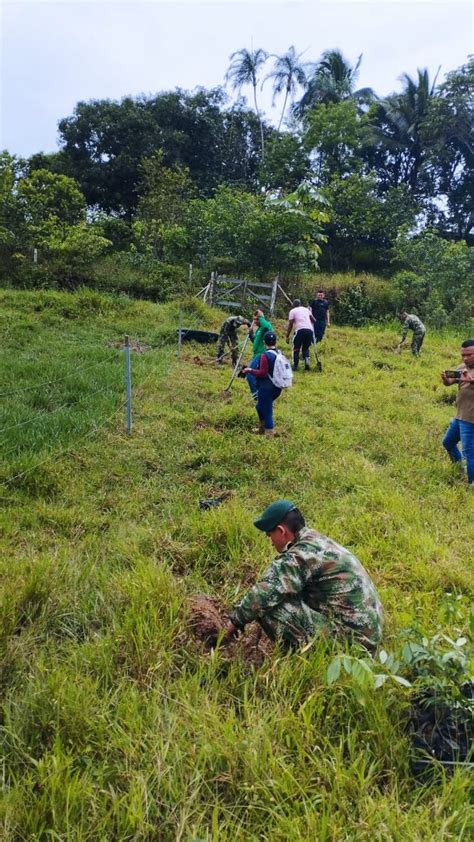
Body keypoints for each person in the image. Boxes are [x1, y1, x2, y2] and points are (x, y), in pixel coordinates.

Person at [222, 500, 384, 652]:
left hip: (354, 644)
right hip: (367, 633)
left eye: (269, 535)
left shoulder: (301, 554)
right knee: (286, 594)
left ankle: (307, 656)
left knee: (269, 608)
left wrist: (234, 623)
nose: (270, 541)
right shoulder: (317, 541)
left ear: (281, 531)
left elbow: (262, 595)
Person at [441, 339, 474, 485]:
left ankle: (472, 483)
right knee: (448, 442)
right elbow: (449, 383)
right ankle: (459, 469)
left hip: (471, 420)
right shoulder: (462, 368)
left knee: (470, 454)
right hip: (460, 416)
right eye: (463, 355)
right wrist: (446, 380)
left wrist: (471, 380)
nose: (465, 358)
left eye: (469, 355)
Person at [242, 331, 282, 438]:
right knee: (259, 406)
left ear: (264, 342)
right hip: (277, 387)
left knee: (267, 410)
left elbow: (262, 373)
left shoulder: (265, 355)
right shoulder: (279, 353)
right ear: (275, 342)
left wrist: (250, 370)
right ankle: (262, 427)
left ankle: (269, 433)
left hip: (266, 388)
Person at [246, 310, 273, 400]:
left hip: (262, 355)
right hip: (256, 354)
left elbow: (267, 326)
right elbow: (256, 341)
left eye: (256, 320)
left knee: (250, 373)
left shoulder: (266, 327)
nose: (255, 322)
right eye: (254, 320)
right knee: (258, 376)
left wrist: (260, 316)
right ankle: (261, 393)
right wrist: (251, 335)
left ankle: (257, 395)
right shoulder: (259, 330)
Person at [286, 298, 315, 371]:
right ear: (300, 304)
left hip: (300, 330)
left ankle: (295, 365)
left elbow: (290, 324)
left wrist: (287, 335)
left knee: (296, 348)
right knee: (306, 347)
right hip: (309, 330)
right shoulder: (306, 310)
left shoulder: (292, 311)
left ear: (293, 305)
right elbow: (314, 320)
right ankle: (307, 362)